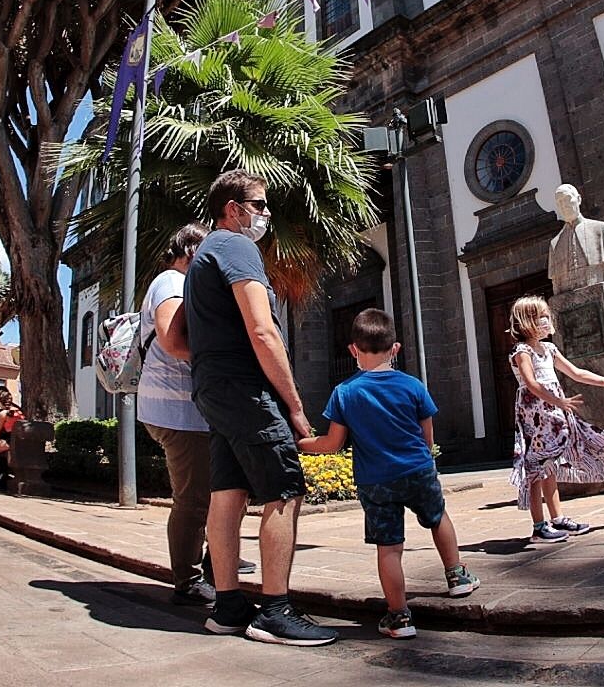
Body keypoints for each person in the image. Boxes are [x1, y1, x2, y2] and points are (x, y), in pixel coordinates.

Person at [185, 169, 336, 646]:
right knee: (285, 487)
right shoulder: (235, 247)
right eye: (260, 204)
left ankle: (228, 606)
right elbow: (264, 331)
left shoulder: (202, 257)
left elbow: (174, 339)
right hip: (245, 388)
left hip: (215, 387)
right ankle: (274, 610)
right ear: (233, 208)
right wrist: (294, 406)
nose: (266, 214)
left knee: (227, 491)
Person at [298, 309, 479, 639]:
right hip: (418, 470)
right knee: (438, 518)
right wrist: (427, 463)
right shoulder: (412, 385)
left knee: (389, 548)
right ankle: (457, 577)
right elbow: (428, 437)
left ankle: (399, 617)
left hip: (375, 480)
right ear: (395, 348)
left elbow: (333, 443)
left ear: (353, 350)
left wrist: (302, 444)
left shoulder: (345, 392)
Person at [508, 296, 604, 543]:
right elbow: (531, 383)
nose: (546, 321)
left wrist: (603, 380)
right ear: (527, 322)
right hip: (536, 414)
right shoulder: (521, 351)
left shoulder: (549, 349)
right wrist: (558, 401)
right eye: (540, 317)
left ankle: (557, 519)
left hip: (555, 413)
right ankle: (538, 526)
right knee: (537, 469)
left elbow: (575, 372)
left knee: (550, 468)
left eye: (547, 316)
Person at [137, 222, 219, 606]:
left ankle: (214, 560)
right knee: (193, 498)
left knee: (209, 492)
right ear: (190, 250)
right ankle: (187, 580)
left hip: (184, 410)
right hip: (178, 412)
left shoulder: (175, 283)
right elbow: (171, 340)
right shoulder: (171, 282)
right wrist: (224, 358)